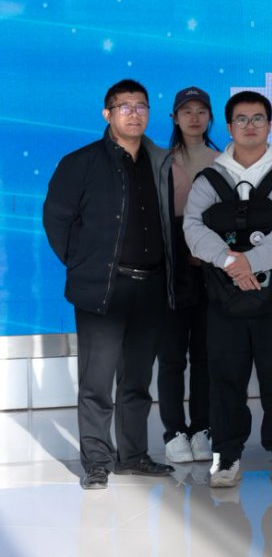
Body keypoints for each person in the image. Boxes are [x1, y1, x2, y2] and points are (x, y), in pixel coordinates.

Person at [43, 79, 177, 490]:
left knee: (137, 380)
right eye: (125, 106)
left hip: (151, 286)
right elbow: (56, 219)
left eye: (141, 106)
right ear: (108, 113)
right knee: (97, 383)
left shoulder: (160, 161)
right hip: (104, 287)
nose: (134, 113)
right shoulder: (80, 162)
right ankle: (97, 462)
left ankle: (133, 455)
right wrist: (84, 265)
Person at [184, 91, 272, 488]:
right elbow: (193, 227)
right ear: (229, 126)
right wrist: (230, 264)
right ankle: (226, 455)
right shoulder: (210, 178)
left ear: (270, 125)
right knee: (225, 376)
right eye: (242, 119)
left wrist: (248, 263)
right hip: (224, 296)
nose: (250, 125)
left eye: (258, 118)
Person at [160, 86, 219, 465]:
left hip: (211, 268)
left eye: (201, 111)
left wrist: (208, 251)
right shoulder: (161, 161)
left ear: (210, 117)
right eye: (187, 111)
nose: (194, 118)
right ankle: (173, 431)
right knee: (171, 356)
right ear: (175, 118)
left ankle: (202, 427)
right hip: (172, 269)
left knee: (205, 355)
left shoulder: (223, 161)